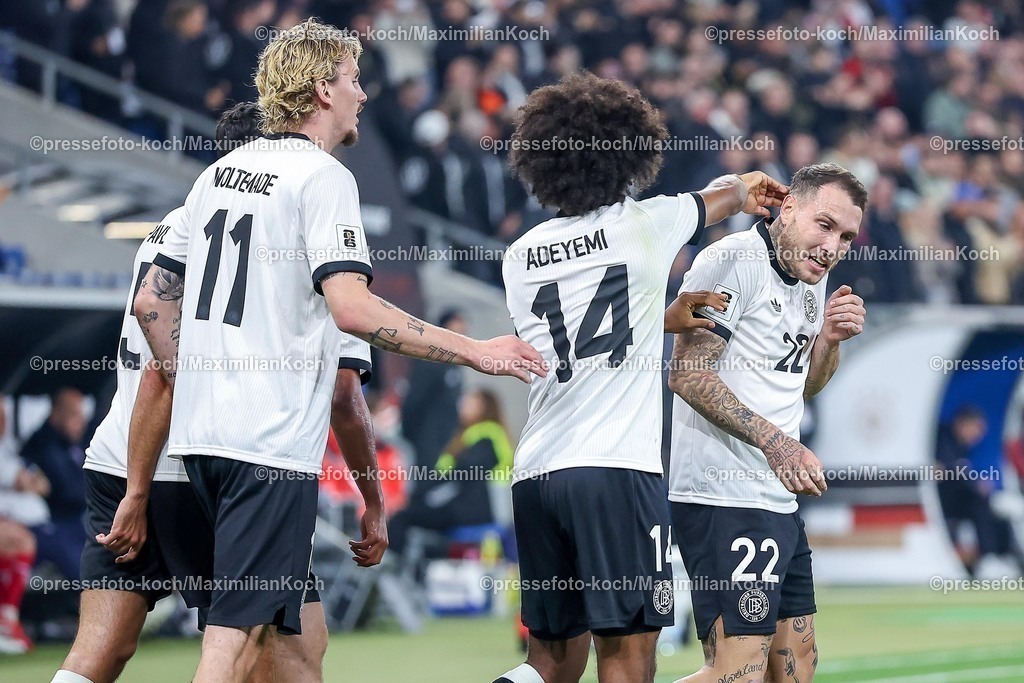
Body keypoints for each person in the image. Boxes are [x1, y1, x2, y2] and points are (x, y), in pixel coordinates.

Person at [131, 20, 543, 683]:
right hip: (265, 448)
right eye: (353, 79)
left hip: (202, 440)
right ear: (322, 89)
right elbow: (352, 307)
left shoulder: (217, 175)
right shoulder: (321, 176)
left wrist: (196, 376)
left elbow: (153, 299)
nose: (363, 94)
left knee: (296, 643)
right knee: (229, 643)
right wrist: (474, 350)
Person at [49, 101, 385, 683]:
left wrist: (135, 483)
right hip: (217, 464)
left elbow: (152, 320)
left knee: (100, 649)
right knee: (280, 651)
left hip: (121, 459)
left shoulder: (170, 232)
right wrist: (372, 498)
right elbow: (343, 394)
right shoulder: (299, 236)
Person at [495, 71, 786, 683]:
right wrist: (749, 184)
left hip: (538, 472)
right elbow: (725, 197)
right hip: (616, 472)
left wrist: (656, 316)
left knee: (549, 663)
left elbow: (584, 330)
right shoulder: (647, 223)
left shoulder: (519, 256)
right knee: (628, 658)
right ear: (627, 153)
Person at [666, 163, 867, 683]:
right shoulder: (732, 261)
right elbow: (688, 376)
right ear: (789, 206)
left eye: (846, 236)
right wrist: (778, 444)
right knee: (737, 673)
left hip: (775, 499)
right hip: (722, 494)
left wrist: (827, 342)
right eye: (825, 225)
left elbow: (803, 385)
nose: (833, 246)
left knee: (796, 669)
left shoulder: (809, 279)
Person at [389, 388, 513, 555]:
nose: (462, 406)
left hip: (475, 510)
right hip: (471, 508)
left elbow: (461, 473)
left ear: (483, 407)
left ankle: (387, 569)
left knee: (401, 518)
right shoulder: (472, 435)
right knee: (412, 515)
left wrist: (418, 495)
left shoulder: (486, 435)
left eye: (470, 402)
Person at [21, 387, 89, 581]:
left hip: (76, 521)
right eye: (75, 416)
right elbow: (68, 493)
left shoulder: (72, 444)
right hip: (54, 522)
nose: (81, 423)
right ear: (57, 415)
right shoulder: (44, 446)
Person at [400, 309, 467, 469]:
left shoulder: (455, 365)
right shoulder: (430, 359)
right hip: (427, 438)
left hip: (447, 439)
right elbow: (415, 399)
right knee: (426, 482)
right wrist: (410, 431)